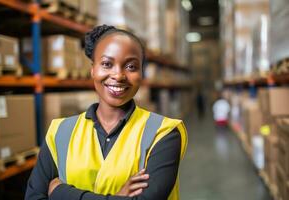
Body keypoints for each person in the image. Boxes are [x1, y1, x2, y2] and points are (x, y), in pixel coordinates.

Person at [25, 24, 188, 200]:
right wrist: (118, 196)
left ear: (142, 73)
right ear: (93, 70)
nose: (118, 75)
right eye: (107, 64)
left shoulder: (163, 133)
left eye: (131, 67)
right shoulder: (60, 132)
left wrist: (60, 193)